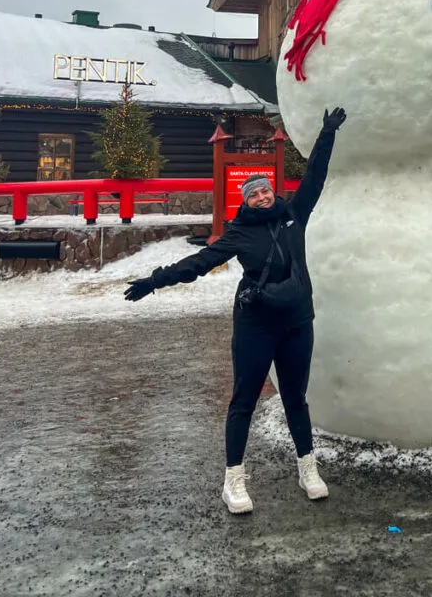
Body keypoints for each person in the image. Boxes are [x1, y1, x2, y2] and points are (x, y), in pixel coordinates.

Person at [124, 107, 347, 515]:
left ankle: (307, 468)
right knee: (243, 399)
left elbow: (316, 174)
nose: (262, 196)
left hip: (297, 320)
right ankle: (234, 479)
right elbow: (198, 264)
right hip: (256, 324)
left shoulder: (294, 215)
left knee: (296, 397)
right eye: (254, 194)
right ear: (246, 201)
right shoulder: (239, 233)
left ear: (273, 191)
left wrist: (326, 133)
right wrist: (154, 281)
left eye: (265, 190)